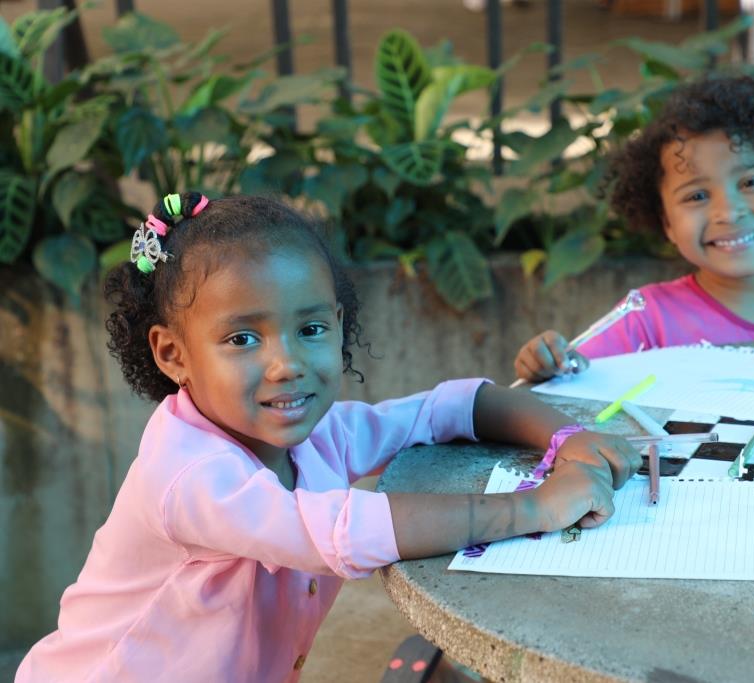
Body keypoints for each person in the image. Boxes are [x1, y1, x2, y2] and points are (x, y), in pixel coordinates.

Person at [16, 193, 640, 682]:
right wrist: (533, 507)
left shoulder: (318, 435)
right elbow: (341, 531)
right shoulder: (189, 476)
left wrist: (567, 438)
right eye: (243, 339)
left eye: (310, 329)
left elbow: (445, 408)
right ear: (172, 354)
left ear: (338, 325)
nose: (287, 364)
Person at [514, 74, 754, 383]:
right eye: (697, 195)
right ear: (667, 223)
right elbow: (572, 390)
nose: (728, 213)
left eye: (751, 182)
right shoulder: (645, 321)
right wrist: (548, 366)